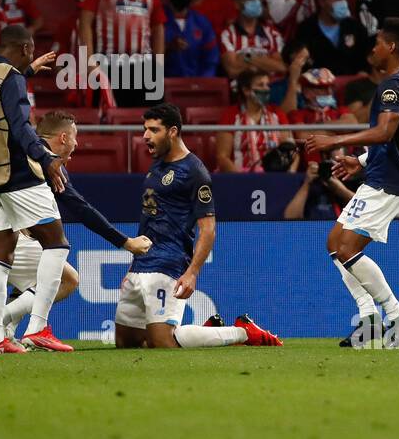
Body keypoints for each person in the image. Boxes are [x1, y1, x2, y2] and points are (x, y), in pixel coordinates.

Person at [0, 110, 152, 339]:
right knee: (66, 278)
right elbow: (80, 208)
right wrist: (125, 242)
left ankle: (6, 333)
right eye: (74, 136)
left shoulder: (13, 150)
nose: (76, 143)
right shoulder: (45, 162)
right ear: (63, 138)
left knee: (33, 276)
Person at [114, 102, 281, 348]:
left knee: (163, 343)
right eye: (145, 129)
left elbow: (208, 229)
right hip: (142, 264)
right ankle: (206, 333)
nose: (145, 136)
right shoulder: (158, 164)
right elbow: (149, 220)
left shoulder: (195, 172)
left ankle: (242, 332)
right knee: (127, 344)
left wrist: (192, 273)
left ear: (172, 131)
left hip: (169, 264)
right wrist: (133, 266)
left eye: (153, 130)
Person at [307, 19, 399, 348]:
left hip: (388, 180)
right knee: (335, 242)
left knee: (347, 248)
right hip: (382, 173)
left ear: (391, 47)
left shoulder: (391, 86)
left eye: (377, 43)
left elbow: (386, 132)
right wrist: (360, 160)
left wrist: (334, 142)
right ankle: (370, 320)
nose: (371, 49)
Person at [0, 25, 72, 353]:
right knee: (56, 243)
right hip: (18, 175)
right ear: (24, 47)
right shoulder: (12, 78)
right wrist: (46, 157)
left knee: (2, 254)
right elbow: (21, 124)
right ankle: (38, 326)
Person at [77, 0, 164, 105]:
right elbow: (85, 23)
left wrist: (159, 63)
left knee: (151, 123)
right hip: (109, 63)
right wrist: (88, 61)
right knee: (111, 120)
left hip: (144, 65)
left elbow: (158, 27)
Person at [217, 67, 296, 173]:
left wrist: (289, 176)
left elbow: (292, 152)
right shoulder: (230, 115)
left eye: (267, 85)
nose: (266, 89)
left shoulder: (277, 114)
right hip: (242, 178)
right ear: (246, 90)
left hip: (276, 178)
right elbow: (222, 157)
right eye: (260, 85)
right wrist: (243, 181)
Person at [286, 0, 370, 76]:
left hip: (353, 85)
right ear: (322, 2)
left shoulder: (355, 27)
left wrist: (362, 73)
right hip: (319, 86)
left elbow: (366, 59)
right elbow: (302, 64)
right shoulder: (306, 29)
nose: (343, 3)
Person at [220, 0, 286, 81]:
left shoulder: (273, 33)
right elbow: (232, 70)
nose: (256, 2)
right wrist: (266, 62)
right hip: (242, 92)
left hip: (272, 89)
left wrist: (249, 58)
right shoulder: (227, 35)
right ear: (237, 4)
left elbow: (282, 67)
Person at [162, 0, 219, 77]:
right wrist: (168, 48)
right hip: (162, 87)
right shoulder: (156, 20)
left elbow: (210, 62)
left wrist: (199, 86)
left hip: (197, 88)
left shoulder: (202, 23)